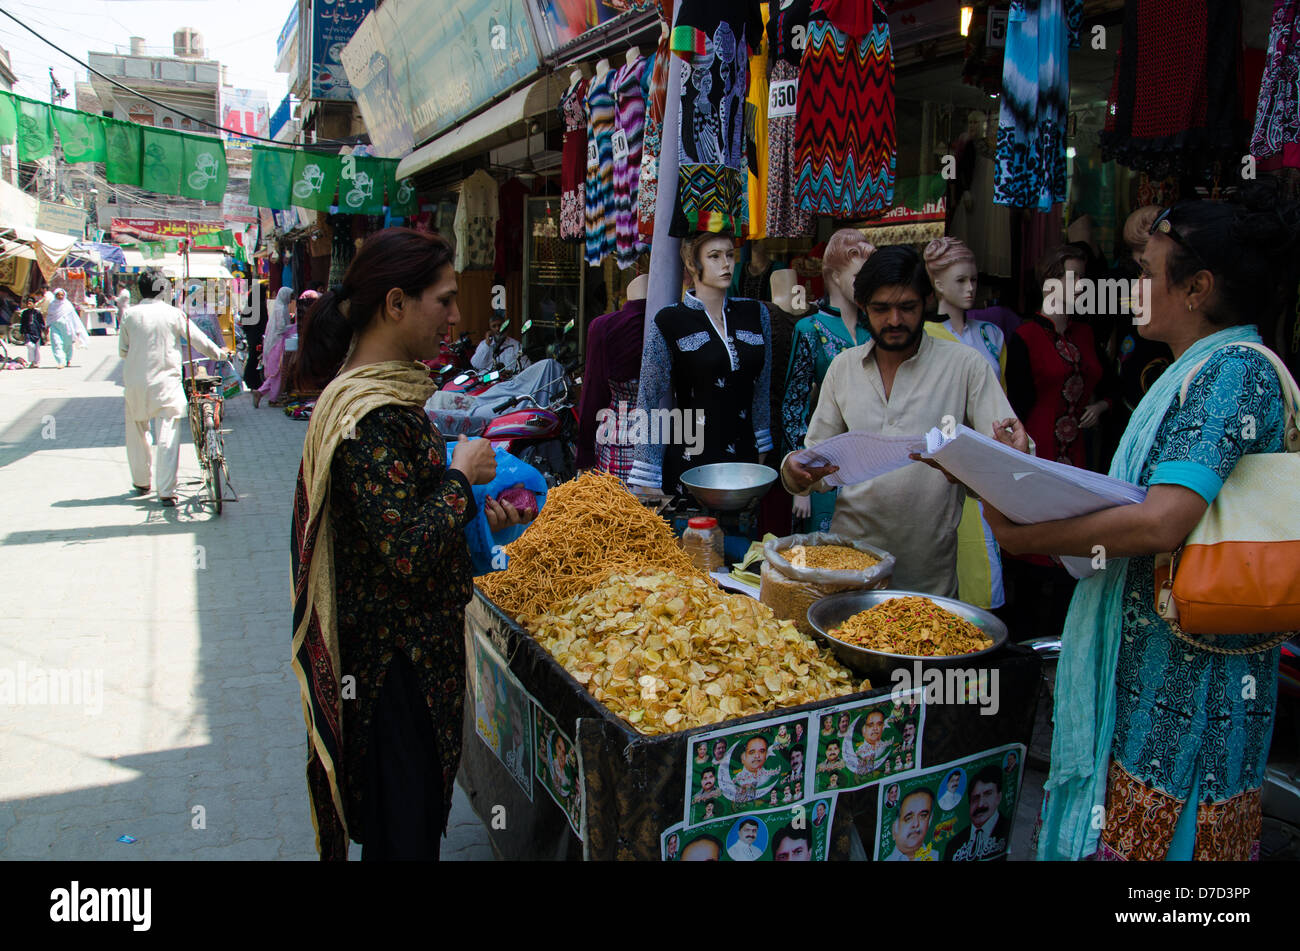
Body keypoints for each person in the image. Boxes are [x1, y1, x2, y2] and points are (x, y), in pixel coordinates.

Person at [983, 186, 1300, 861]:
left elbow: (1160, 521)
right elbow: (1134, 502)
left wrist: (1022, 536)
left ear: (1198, 288)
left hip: (1194, 676)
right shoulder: (1195, 372)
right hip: (1158, 659)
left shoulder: (1233, 373)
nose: (1132, 286)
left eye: (1148, 272)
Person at [290, 228, 532, 861]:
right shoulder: (365, 417)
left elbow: (412, 520)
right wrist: (462, 478)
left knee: (415, 828)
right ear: (395, 304)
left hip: (418, 662)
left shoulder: (393, 396)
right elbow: (405, 548)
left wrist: (480, 516)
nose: (456, 316)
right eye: (444, 300)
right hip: (393, 673)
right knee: (405, 838)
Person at [780, 245, 1028, 598]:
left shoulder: (965, 366)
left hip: (928, 578)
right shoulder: (844, 368)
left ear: (926, 302)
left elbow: (1010, 465)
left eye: (907, 307)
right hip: (850, 571)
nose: (894, 320)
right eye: (881, 309)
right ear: (863, 307)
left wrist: (1000, 458)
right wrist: (794, 471)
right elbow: (815, 468)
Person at [630, 231, 774, 496]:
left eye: (730, 255)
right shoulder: (670, 321)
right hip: (690, 462)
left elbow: (763, 388)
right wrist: (647, 477)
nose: (726, 264)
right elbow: (648, 399)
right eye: (714, 256)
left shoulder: (755, 314)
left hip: (746, 464)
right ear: (692, 263)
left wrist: (763, 449)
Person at [923, 237, 1006, 610]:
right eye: (960, 281)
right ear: (938, 284)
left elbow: (1003, 401)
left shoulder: (992, 335)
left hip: (990, 456)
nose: (970, 288)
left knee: (987, 545)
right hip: (946, 456)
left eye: (974, 280)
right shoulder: (924, 337)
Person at [782, 228, 876, 532]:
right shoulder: (810, 329)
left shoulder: (876, 330)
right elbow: (793, 407)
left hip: (872, 461)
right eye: (858, 276)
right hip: (826, 460)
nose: (866, 286)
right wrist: (803, 480)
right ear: (835, 276)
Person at [118, 269, 229, 506]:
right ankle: (166, 490)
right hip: (166, 383)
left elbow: (123, 351)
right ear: (163, 290)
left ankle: (141, 481)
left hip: (135, 382)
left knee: (137, 432)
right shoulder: (173, 313)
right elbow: (199, 340)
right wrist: (219, 354)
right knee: (167, 434)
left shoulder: (129, 314)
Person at [944, 765, 1008, 861]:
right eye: (975, 798)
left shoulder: (1008, 828)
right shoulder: (953, 845)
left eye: (987, 794)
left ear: (998, 797)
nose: (980, 804)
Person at [254, 287, 300, 408]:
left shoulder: (279, 307)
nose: (291, 300)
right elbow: (281, 328)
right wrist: (292, 328)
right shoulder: (281, 309)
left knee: (276, 371)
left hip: (276, 342)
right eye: (290, 296)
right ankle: (271, 398)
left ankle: (263, 393)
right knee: (278, 372)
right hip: (278, 343)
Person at [885, 787, 936, 861]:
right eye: (908, 818)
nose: (916, 824)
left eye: (923, 815)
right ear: (894, 828)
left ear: (930, 820)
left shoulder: (938, 856)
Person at [46, 289, 89, 369]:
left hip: (67, 328)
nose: (60, 296)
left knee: (67, 344)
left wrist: (77, 330)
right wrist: (47, 327)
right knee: (56, 343)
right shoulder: (52, 305)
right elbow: (49, 316)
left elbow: (74, 318)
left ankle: (68, 359)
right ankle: (60, 361)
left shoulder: (67, 305)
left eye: (62, 295)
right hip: (55, 327)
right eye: (58, 295)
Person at [19, 296, 44, 367]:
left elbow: (41, 322)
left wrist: (43, 330)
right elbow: (23, 323)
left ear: (34, 304)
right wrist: (22, 333)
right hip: (28, 332)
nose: (29, 305)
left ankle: (37, 362)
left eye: (30, 303)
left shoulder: (37, 312)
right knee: (30, 346)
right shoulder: (24, 313)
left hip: (36, 332)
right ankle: (32, 361)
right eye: (27, 303)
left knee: (37, 348)